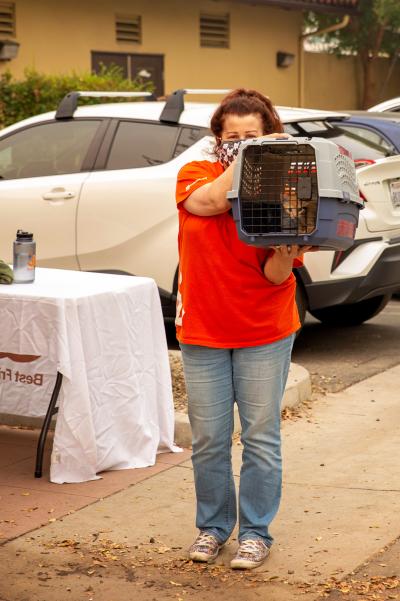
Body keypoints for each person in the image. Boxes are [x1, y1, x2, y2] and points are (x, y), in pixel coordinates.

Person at [175, 88, 316, 570]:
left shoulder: (288, 187)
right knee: (210, 437)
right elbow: (211, 203)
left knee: (260, 435)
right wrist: (256, 157)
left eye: (250, 136)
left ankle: (256, 533)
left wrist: (286, 251)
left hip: (264, 328)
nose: (238, 143)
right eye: (230, 136)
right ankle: (213, 527)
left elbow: (277, 276)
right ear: (217, 140)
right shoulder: (196, 173)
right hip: (203, 328)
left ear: (271, 134)